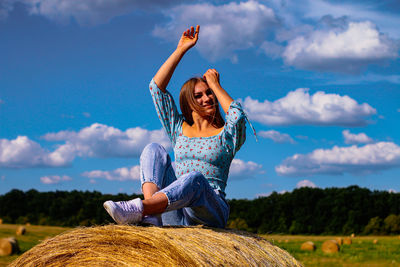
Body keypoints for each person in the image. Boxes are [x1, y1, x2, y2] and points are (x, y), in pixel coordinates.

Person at [104, 25, 251, 228]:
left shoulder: (225, 136)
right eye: (198, 95)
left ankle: (140, 208)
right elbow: (156, 88)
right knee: (153, 149)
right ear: (188, 102)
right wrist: (181, 49)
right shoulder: (178, 128)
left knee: (195, 179)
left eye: (209, 93)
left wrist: (216, 85)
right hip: (174, 210)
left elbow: (238, 116)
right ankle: (151, 214)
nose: (207, 98)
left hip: (209, 210)